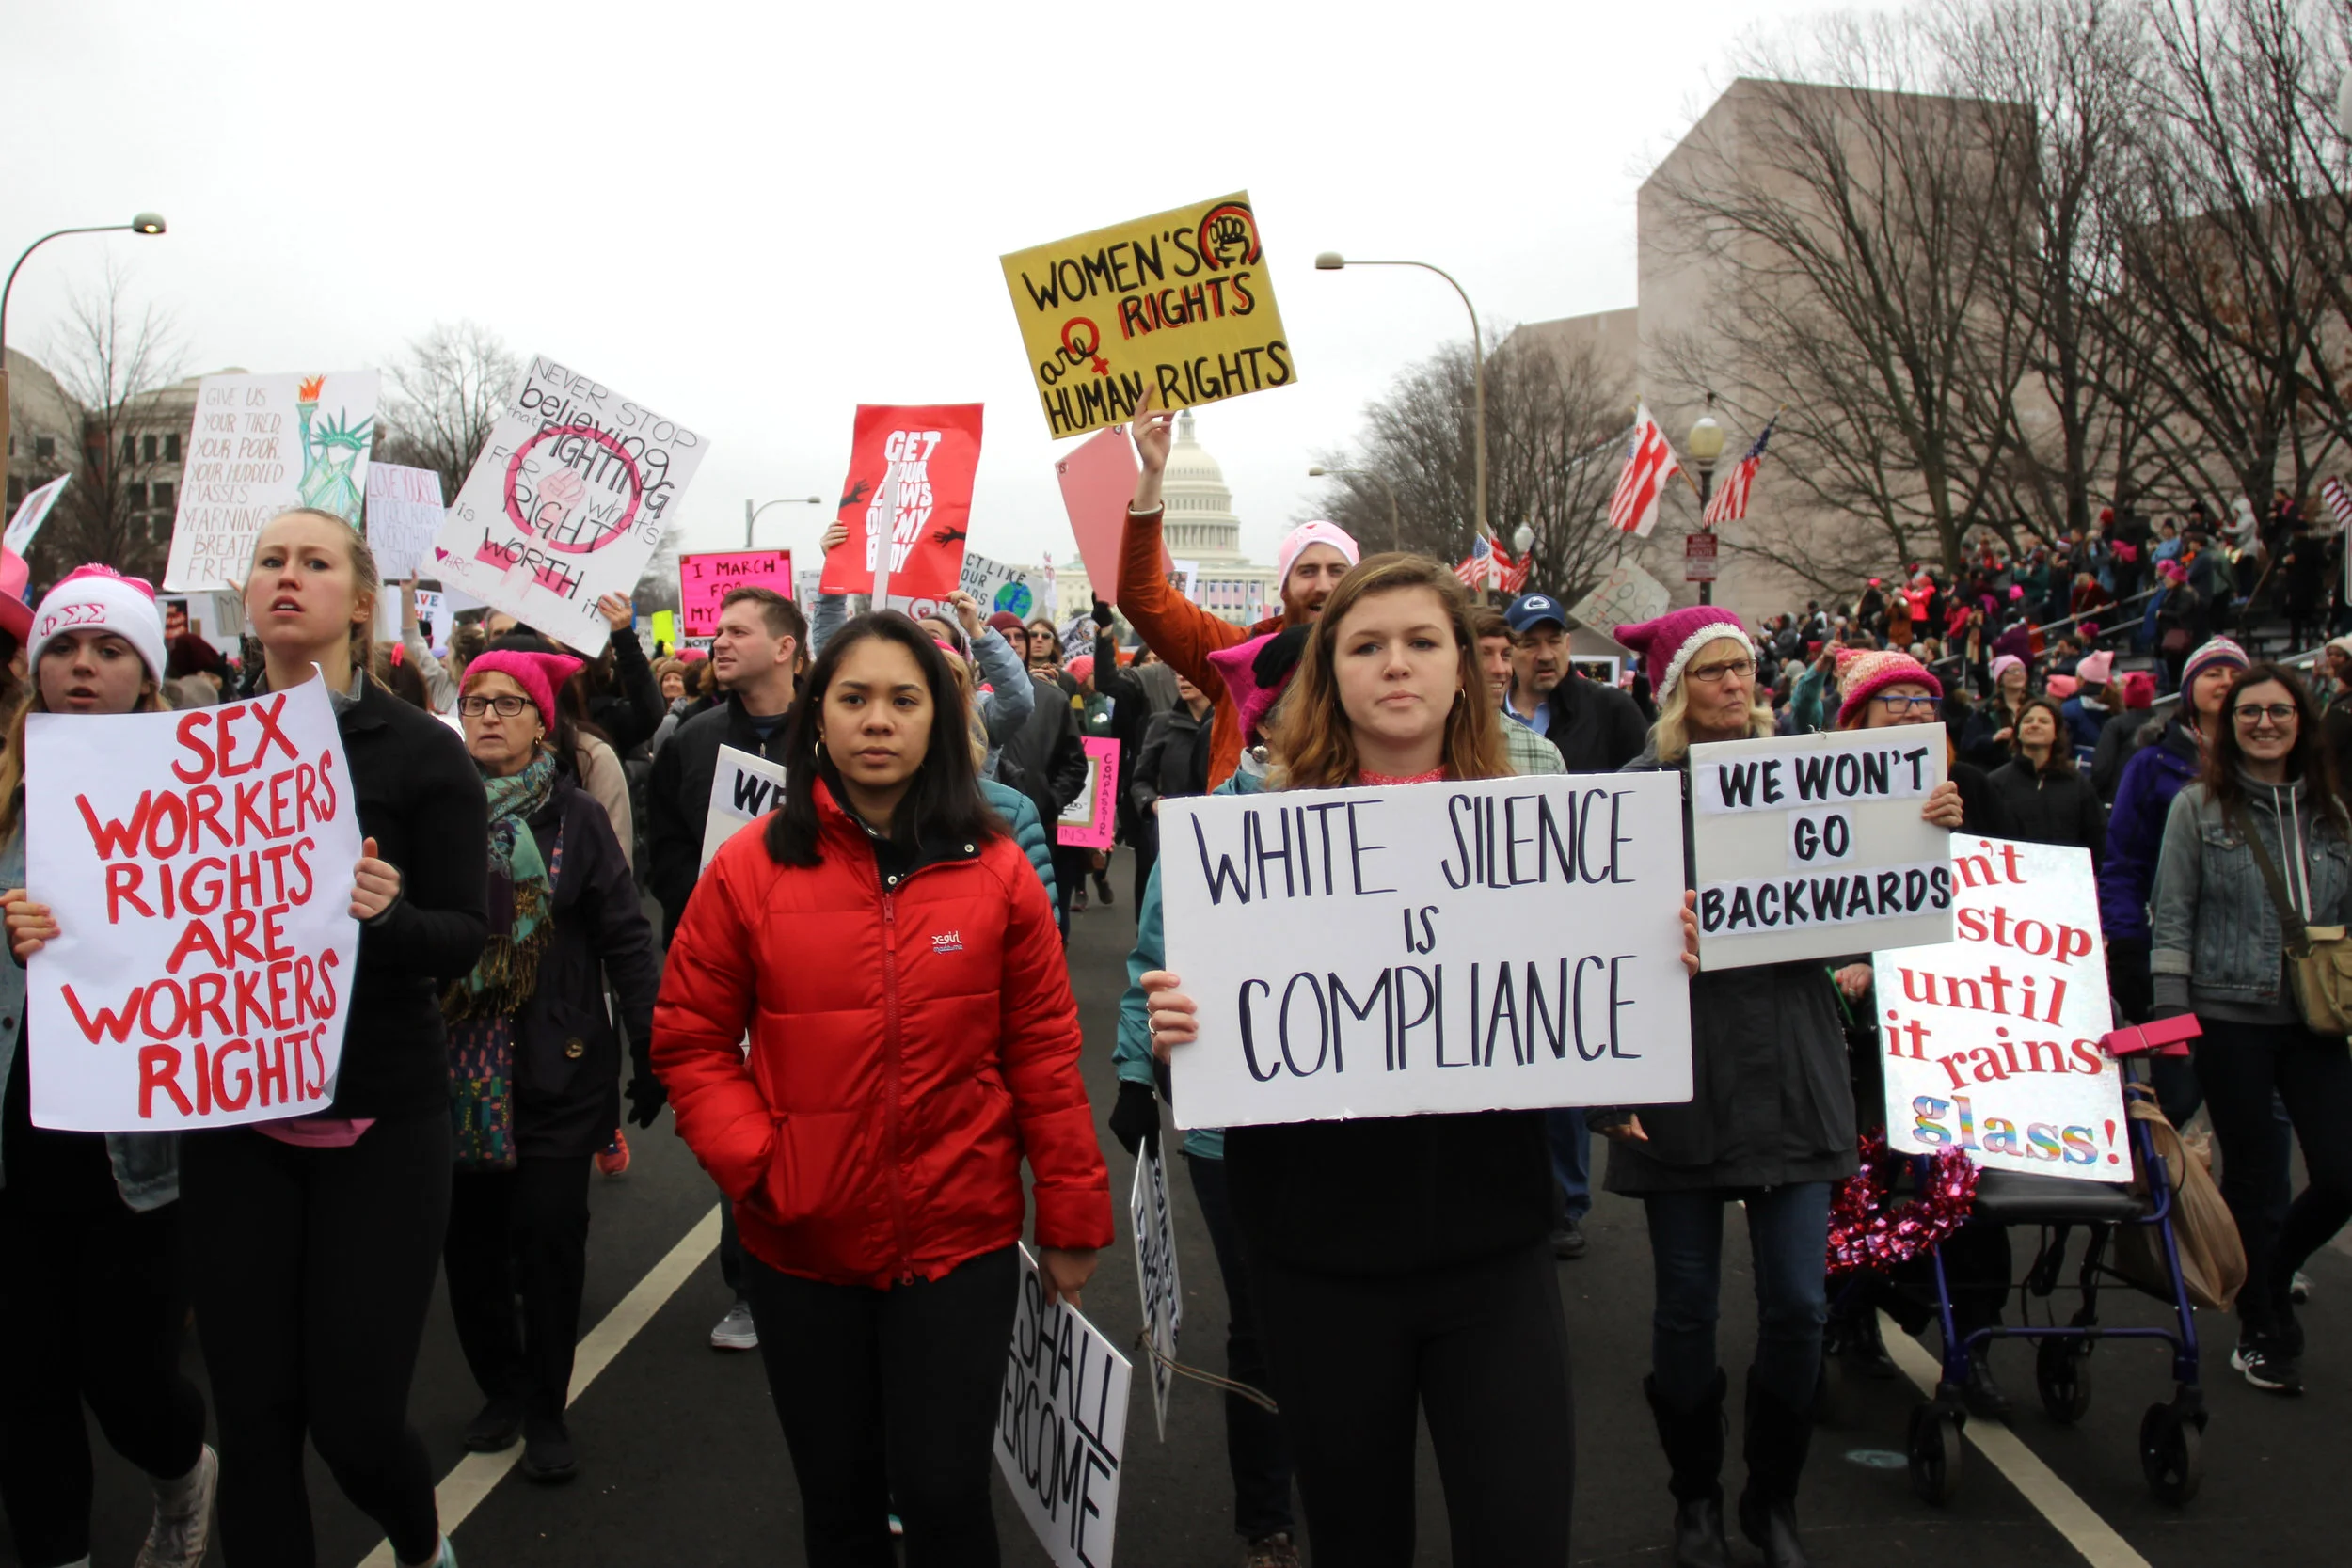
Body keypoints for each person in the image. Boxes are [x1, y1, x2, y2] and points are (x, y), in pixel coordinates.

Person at [1140, 556, 1691, 1566]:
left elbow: (1589, 1057)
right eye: (1366, 643)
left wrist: (1647, 968)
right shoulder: (1252, 839)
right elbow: (1222, 1072)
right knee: (1356, 1543)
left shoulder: (1539, 832)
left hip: (1492, 1252)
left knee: (1520, 1535)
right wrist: (1184, 1035)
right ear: (1330, 673)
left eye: (1421, 641)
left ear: (1461, 670)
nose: (1396, 664)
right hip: (1318, 1263)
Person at [653, 610, 1110, 1565]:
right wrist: (761, 1164)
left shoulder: (996, 869)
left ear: (938, 720)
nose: (877, 720)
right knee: (841, 1502)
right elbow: (691, 1038)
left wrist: (1069, 1211)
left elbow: (1042, 1049)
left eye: (904, 699)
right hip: (800, 1242)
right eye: (853, 697)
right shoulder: (748, 867)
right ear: (816, 718)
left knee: (946, 1495)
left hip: (960, 1241)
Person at [1601, 608, 1963, 1568]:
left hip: (1796, 1071)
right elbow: (1592, 945)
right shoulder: (1631, 797)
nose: (1734, 684)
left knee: (1800, 1304)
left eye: (1744, 669)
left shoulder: (1809, 776)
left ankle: (1771, 1496)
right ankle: (1695, 1498)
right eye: (1713, 671)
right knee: (1684, 1305)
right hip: (1680, 1074)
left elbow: (1867, 912)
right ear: (1675, 687)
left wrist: (1923, 834)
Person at [166, 510, 485, 1568]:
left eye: (315, 561)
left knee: (353, 1419)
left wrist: (390, 918)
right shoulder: (181, 747)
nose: (288, 577)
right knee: (254, 1421)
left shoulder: (424, 755)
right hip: (232, 1122)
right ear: (247, 594)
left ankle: (421, 1537)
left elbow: (463, 938)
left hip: (378, 1122)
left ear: (360, 599)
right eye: (270, 560)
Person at [0, 568, 217, 1568]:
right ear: (35, 665)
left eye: (109, 649)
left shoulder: (203, 792)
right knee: (23, 1382)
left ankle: (183, 1476)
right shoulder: (5, 793)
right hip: (15, 1140)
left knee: (125, 1377)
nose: (82, 665)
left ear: (146, 672)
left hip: (133, 1150)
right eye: (64, 647)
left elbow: (230, 946)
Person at [437, 649, 662, 1482]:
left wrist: (652, 1046)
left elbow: (626, 939)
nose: (489, 716)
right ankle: (500, 1384)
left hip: (557, 1065)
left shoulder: (576, 819)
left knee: (548, 1240)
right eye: (474, 702)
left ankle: (545, 1404)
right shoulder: (437, 811)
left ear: (541, 721)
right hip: (457, 1071)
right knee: (470, 1249)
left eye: (508, 703)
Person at [2150, 661, 2352, 1396]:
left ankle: (2271, 1269)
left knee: (2339, 1174)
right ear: (2227, 726)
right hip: (2229, 1015)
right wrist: (2171, 1012)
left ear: (2303, 721)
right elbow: (2171, 914)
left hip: (2317, 1018)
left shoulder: (2334, 816)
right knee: (2259, 1174)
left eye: (2279, 710)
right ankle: (2264, 1328)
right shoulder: (2198, 809)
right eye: (2249, 713)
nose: (2264, 723)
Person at [645, 584, 806, 1352]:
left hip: (815, 962)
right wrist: (706, 906)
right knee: (736, 1115)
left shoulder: (829, 730)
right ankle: (748, 1284)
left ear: (786, 647)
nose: (719, 640)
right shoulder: (693, 737)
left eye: (739, 630)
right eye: (718, 629)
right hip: (726, 961)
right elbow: (667, 842)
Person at [1119, 393, 1357, 789]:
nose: (1324, 585)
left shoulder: (1383, 667)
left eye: (1338, 571)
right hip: (1249, 842)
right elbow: (1143, 598)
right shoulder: (1239, 659)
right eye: (1308, 571)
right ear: (1283, 588)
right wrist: (1152, 473)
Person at [2102, 637, 2249, 1066]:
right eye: (2213, 673)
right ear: (2189, 690)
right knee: (2176, 1085)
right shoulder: (2152, 763)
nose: (2225, 682)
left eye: (2236, 674)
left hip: (2248, 955)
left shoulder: (2267, 759)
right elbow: (2123, 859)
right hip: (2167, 947)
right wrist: (2127, 937)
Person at [1500, 591, 1646, 771]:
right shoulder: (1485, 717)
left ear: (1568, 645)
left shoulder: (1611, 709)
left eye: (1554, 642)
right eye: (1530, 644)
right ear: (1508, 651)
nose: (1546, 656)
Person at [1989, 694, 2107, 868]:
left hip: (2066, 881)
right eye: (2028, 720)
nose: (2035, 724)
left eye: (2044, 721)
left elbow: (2097, 838)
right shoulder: (1995, 783)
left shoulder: (2078, 784)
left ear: (2056, 733)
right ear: (2018, 732)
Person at [1959, 653, 2029, 770]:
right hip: (1999, 770)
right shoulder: (1986, 711)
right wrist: (1993, 739)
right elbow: (1967, 746)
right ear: (2000, 679)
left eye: (2021, 670)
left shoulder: (2037, 706)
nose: (2018, 674)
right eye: (2012, 671)